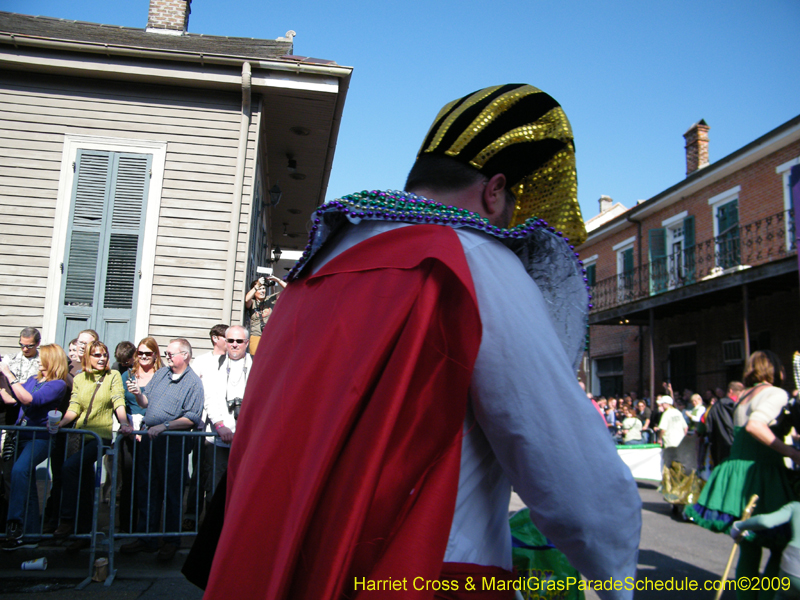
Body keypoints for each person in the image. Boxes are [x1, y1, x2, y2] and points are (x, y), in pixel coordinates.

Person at [201, 84, 641, 600]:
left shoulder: (318, 264)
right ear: (495, 191)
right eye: (516, 205)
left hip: (284, 564)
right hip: (422, 572)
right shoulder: (477, 261)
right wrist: (616, 580)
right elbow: (573, 472)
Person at [685, 351, 799, 600]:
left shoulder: (744, 395)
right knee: (781, 543)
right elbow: (755, 426)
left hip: (738, 471)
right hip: (762, 472)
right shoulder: (776, 393)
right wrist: (792, 452)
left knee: (749, 544)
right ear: (774, 368)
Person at [121, 338, 204, 562]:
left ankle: (170, 541)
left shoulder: (193, 383)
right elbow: (146, 402)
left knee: (172, 493)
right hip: (151, 440)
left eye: (170, 353)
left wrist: (165, 426)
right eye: (166, 353)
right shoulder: (161, 374)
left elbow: (192, 417)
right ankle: (146, 537)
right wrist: (137, 393)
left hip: (173, 443)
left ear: (185, 355)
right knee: (148, 489)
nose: (167, 357)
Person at [53, 341, 132, 550]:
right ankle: (83, 534)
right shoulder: (80, 378)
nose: (102, 358)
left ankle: (67, 519)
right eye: (97, 355)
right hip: (79, 436)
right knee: (84, 484)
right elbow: (75, 406)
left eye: (104, 354)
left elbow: (118, 401)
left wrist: (124, 423)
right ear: (88, 357)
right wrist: (60, 423)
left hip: (100, 436)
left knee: (69, 467)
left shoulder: (113, 376)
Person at [0, 344, 70, 550]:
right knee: (28, 483)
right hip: (21, 436)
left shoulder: (58, 384)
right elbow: (14, 398)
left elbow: (29, 399)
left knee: (19, 471)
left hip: (39, 438)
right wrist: (3, 380)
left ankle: (14, 525)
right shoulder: (34, 379)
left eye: (42, 357)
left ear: (52, 360)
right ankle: (30, 535)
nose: (38, 360)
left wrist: (8, 373)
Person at [201, 325, 251, 507]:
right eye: (230, 340)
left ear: (247, 343)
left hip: (247, 442)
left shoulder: (257, 365)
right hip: (219, 441)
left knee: (244, 490)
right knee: (215, 490)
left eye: (239, 341)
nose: (234, 344)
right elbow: (210, 399)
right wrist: (220, 426)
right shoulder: (214, 365)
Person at [117, 337, 162, 533]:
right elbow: (119, 402)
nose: (143, 356)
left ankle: (148, 527)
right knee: (129, 480)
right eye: (140, 353)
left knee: (150, 481)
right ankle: (126, 526)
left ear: (155, 355)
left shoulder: (162, 376)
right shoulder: (127, 375)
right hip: (129, 433)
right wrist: (126, 425)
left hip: (152, 433)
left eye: (148, 353)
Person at [731, 502, 800, 599]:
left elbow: (764, 521)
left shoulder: (796, 506)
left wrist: (739, 526)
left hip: (791, 569)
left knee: (783, 595)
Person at [705, 381, 743, 466]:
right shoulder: (738, 406)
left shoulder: (713, 407)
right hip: (737, 448)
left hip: (719, 450)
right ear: (731, 391)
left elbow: (708, 428)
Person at [244, 275, 286, 355]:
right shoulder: (252, 302)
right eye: (259, 289)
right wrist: (258, 285)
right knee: (254, 358)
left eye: (263, 288)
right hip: (256, 336)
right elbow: (246, 299)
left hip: (270, 336)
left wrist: (277, 280)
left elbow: (288, 290)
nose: (262, 291)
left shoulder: (270, 299)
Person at [655, 395, 687, 469]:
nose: (661, 405)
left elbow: (663, 429)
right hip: (680, 443)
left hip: (670, 443)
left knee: (670, 464)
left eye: (662, 404)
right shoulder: (678, 412)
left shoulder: (666, 414)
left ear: (666, 404)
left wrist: (660, 439)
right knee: (679, 463)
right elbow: (685, 427)